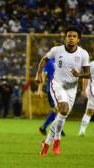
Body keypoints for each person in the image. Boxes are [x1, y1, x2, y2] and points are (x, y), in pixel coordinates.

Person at [36, 26, 90, 156]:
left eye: (74, 36)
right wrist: (38, 74)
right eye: (69, 36)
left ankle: (46, 143)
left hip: (71, 88)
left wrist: (78, 75)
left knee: (62, 115)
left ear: (78, 40)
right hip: (57, 85)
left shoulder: (83, 54)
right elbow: (44, 59)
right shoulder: (56, 50)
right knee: (63, 109)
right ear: (65, 38)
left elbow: (87, 74)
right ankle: (57, 141)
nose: (71, 38)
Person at [37, 59, 65, 137]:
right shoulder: (51, 63)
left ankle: (43, 128)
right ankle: (58, 130)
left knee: (58, 110)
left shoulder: (58, 62)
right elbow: (44, 75)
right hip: (52, 91)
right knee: (57, 110)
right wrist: (40, 89)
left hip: (58, 90)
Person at [78, 61, 94, 136]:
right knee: (90, 111)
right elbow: (85, 77)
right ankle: (82, 130)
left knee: (89, 111)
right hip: (92, 89)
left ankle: (82, 130)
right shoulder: (92, 65)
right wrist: (83, 90)